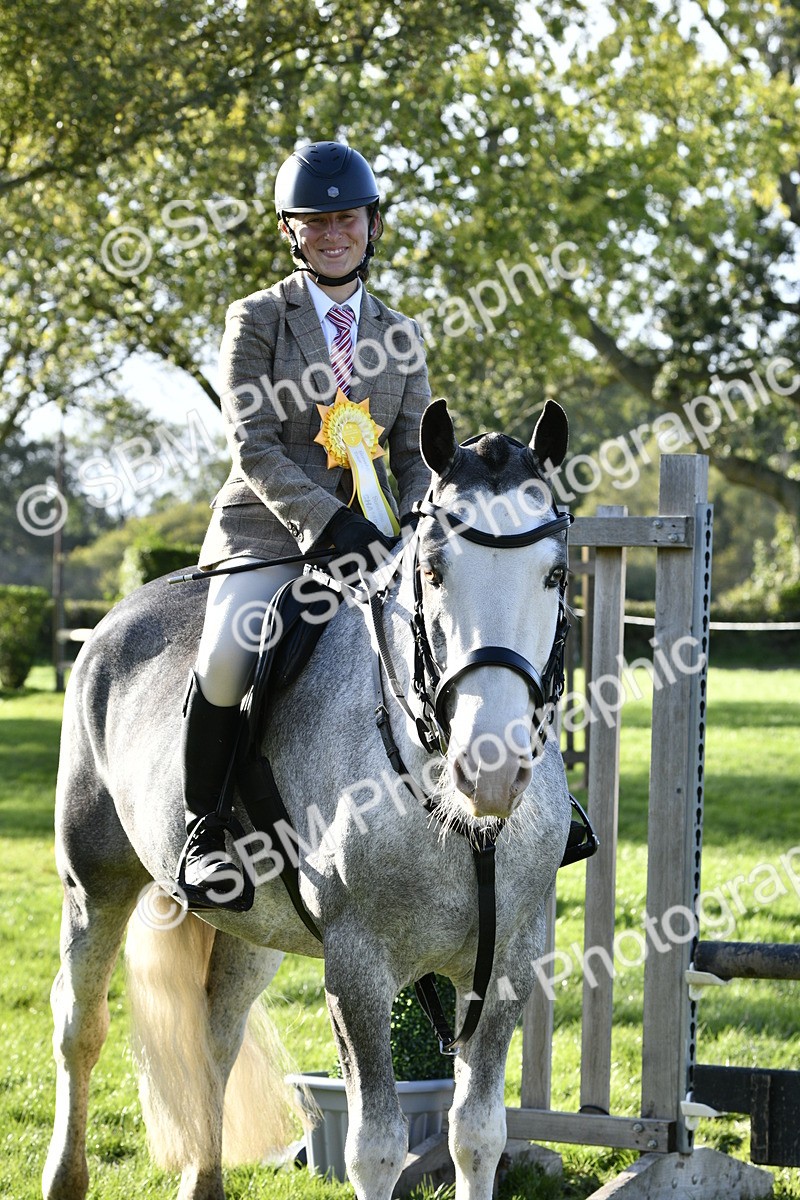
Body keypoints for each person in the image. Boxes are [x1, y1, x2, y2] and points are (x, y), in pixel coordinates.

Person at [179, 141, 432, 896]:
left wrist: (414, 523)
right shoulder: (257, 317)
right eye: (314, 220)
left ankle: (494, 808)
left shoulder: (401, 332)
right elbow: (251, 443)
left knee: (457, 629)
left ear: (372, 224)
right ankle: (208, 828)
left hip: (378, 537)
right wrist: (324, 523)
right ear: (291, 229)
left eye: (345, 218)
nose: (332, 233)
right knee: (228, 653)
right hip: (267, 532)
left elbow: (417, 450)